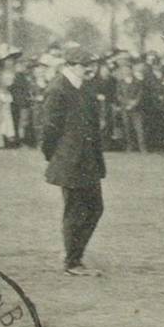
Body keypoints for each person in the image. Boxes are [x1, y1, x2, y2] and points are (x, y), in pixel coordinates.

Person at [41, 46, 107, 277]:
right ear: (70, 65)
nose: (91, 69)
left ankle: (73, 253)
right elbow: (48, 129)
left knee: (95, 208)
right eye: (85, 64)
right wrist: (56, 157)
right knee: (76, 210)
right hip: (70, 161)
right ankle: (72, 261)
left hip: (87, 160)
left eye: (93, 64)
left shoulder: (85, 87)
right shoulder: (58, 89)